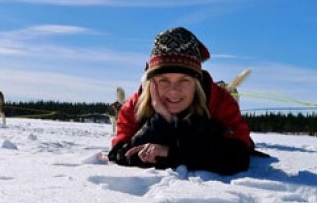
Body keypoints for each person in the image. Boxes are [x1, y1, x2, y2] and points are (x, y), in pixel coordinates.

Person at [108, 27, 252, 175]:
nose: (173, 90)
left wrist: (171, 152)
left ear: (196, 82)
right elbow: (119, 153)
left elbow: (238, 157)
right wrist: (161, 120)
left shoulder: (219, 100)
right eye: (164, 80)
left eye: (184, 80)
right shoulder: (134, 105)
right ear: (152, 82)